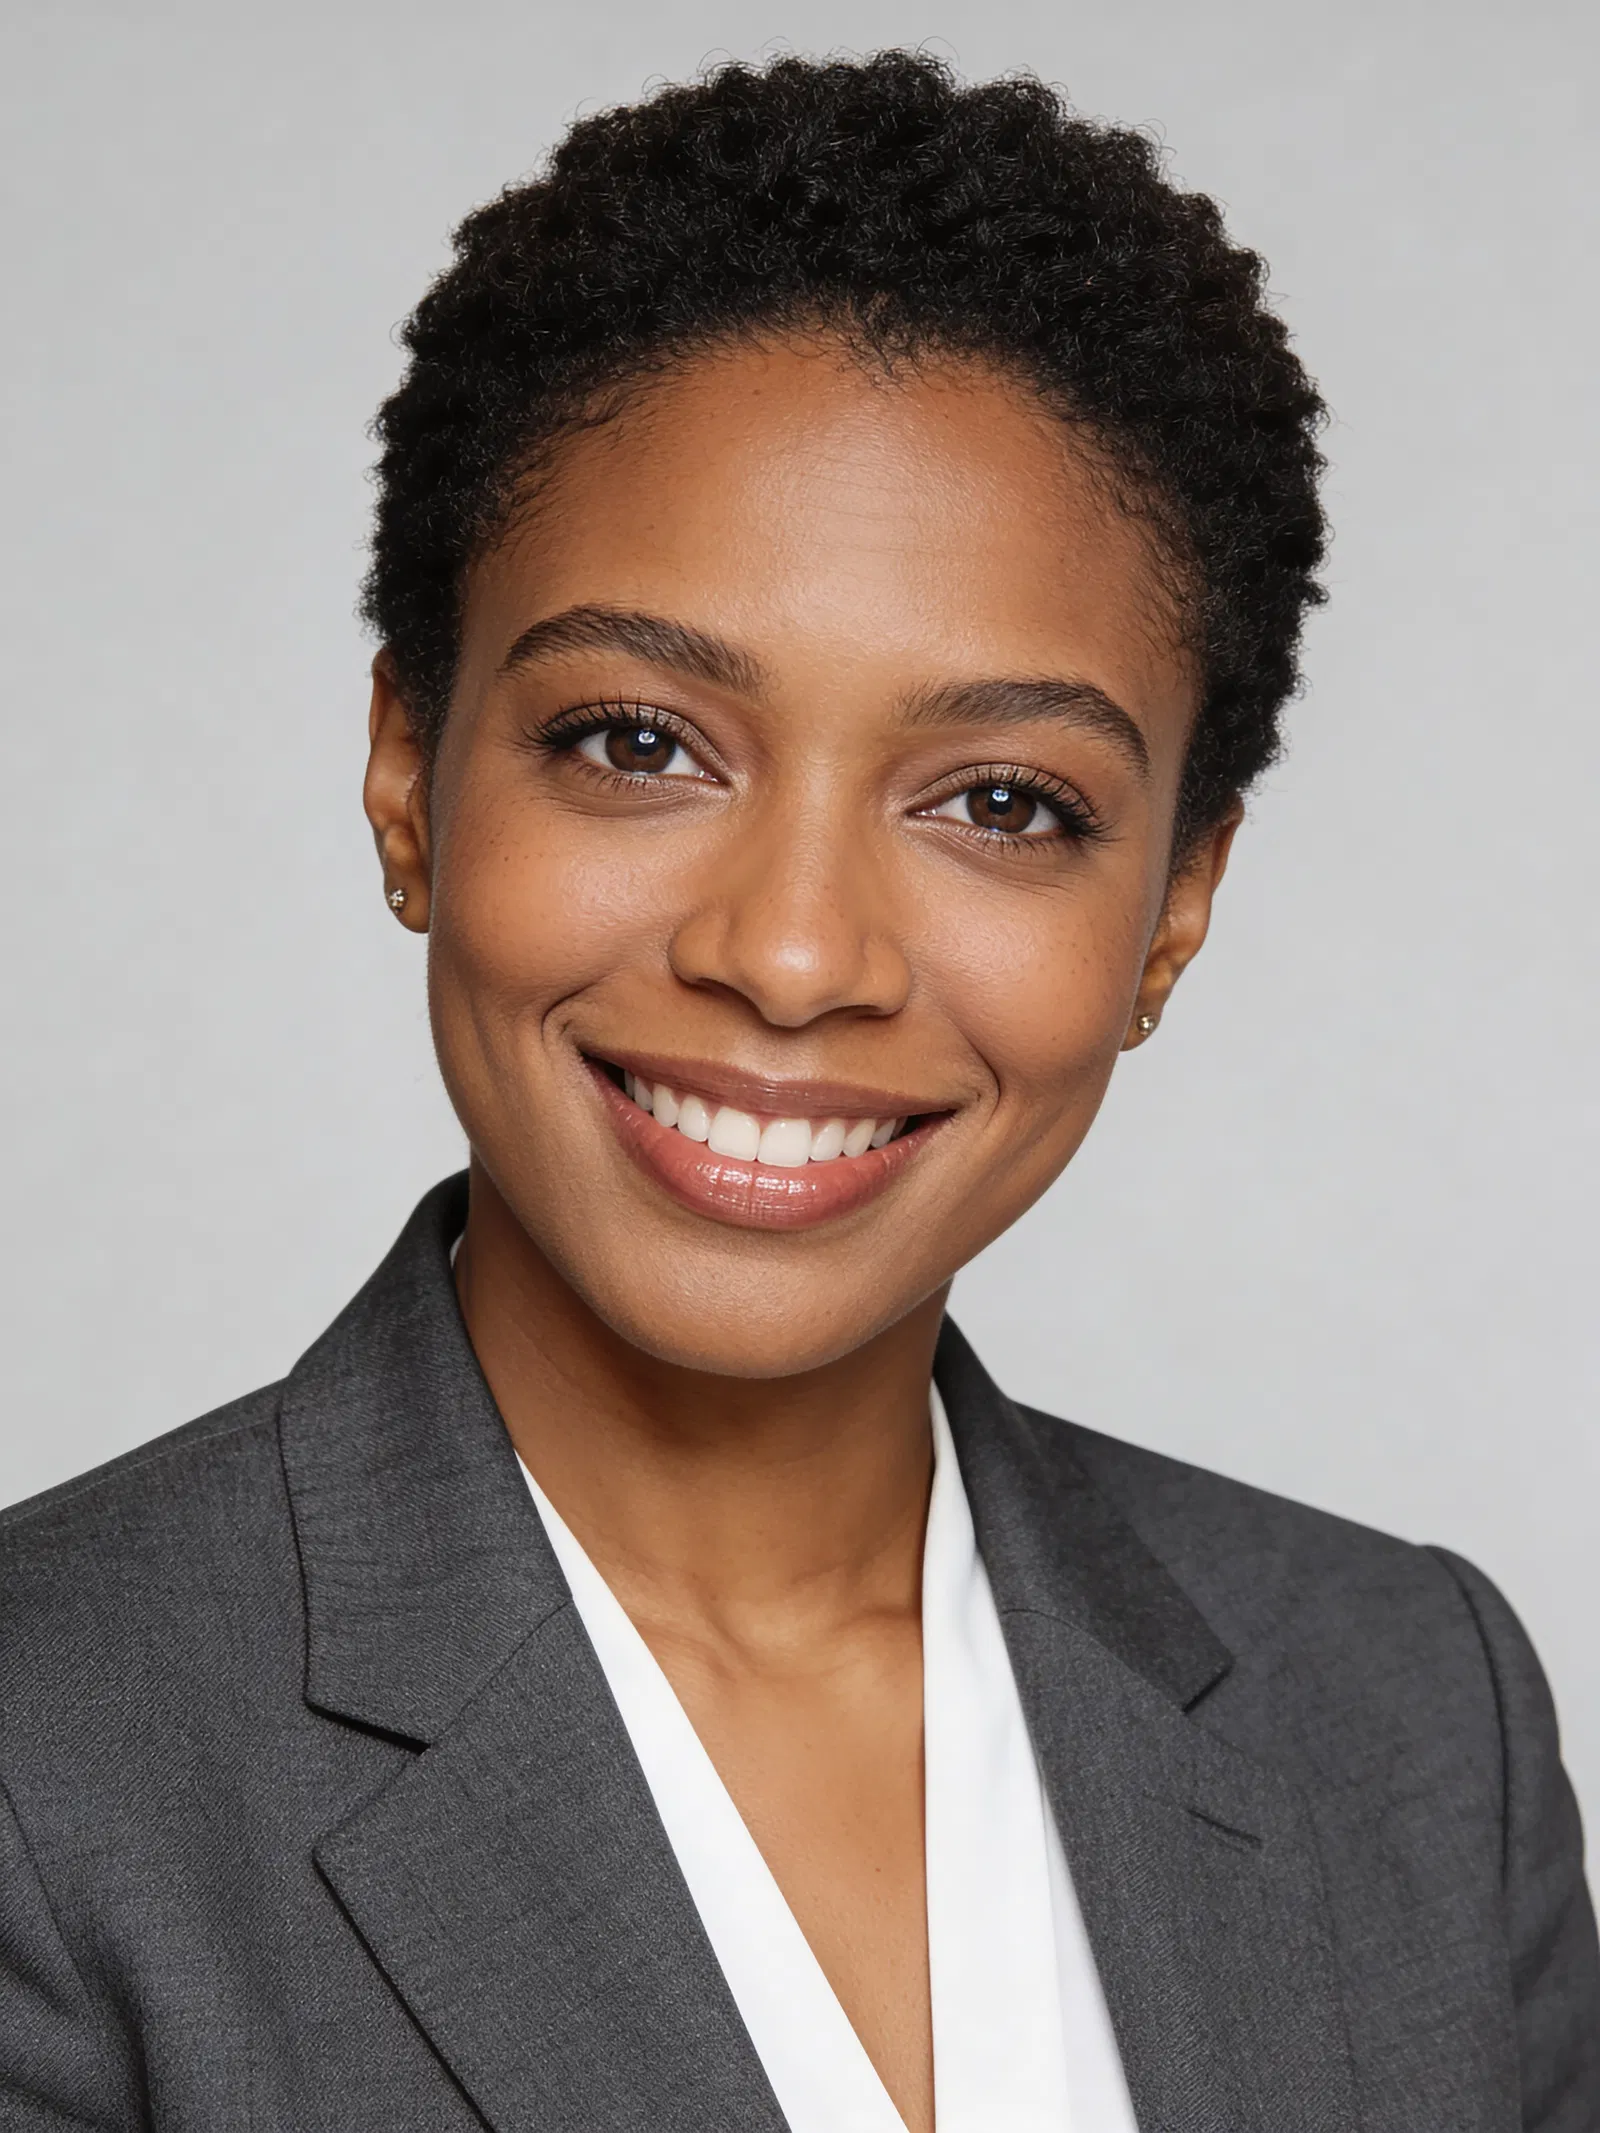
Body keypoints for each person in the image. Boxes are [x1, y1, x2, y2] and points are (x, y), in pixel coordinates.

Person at [0, 49, 1593, 2133]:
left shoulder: (1412, 1717)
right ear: (408, 772)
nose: (791, 951)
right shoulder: (49, 1763)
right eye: (638, 744)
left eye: (1002, 801)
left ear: (1175, 906)